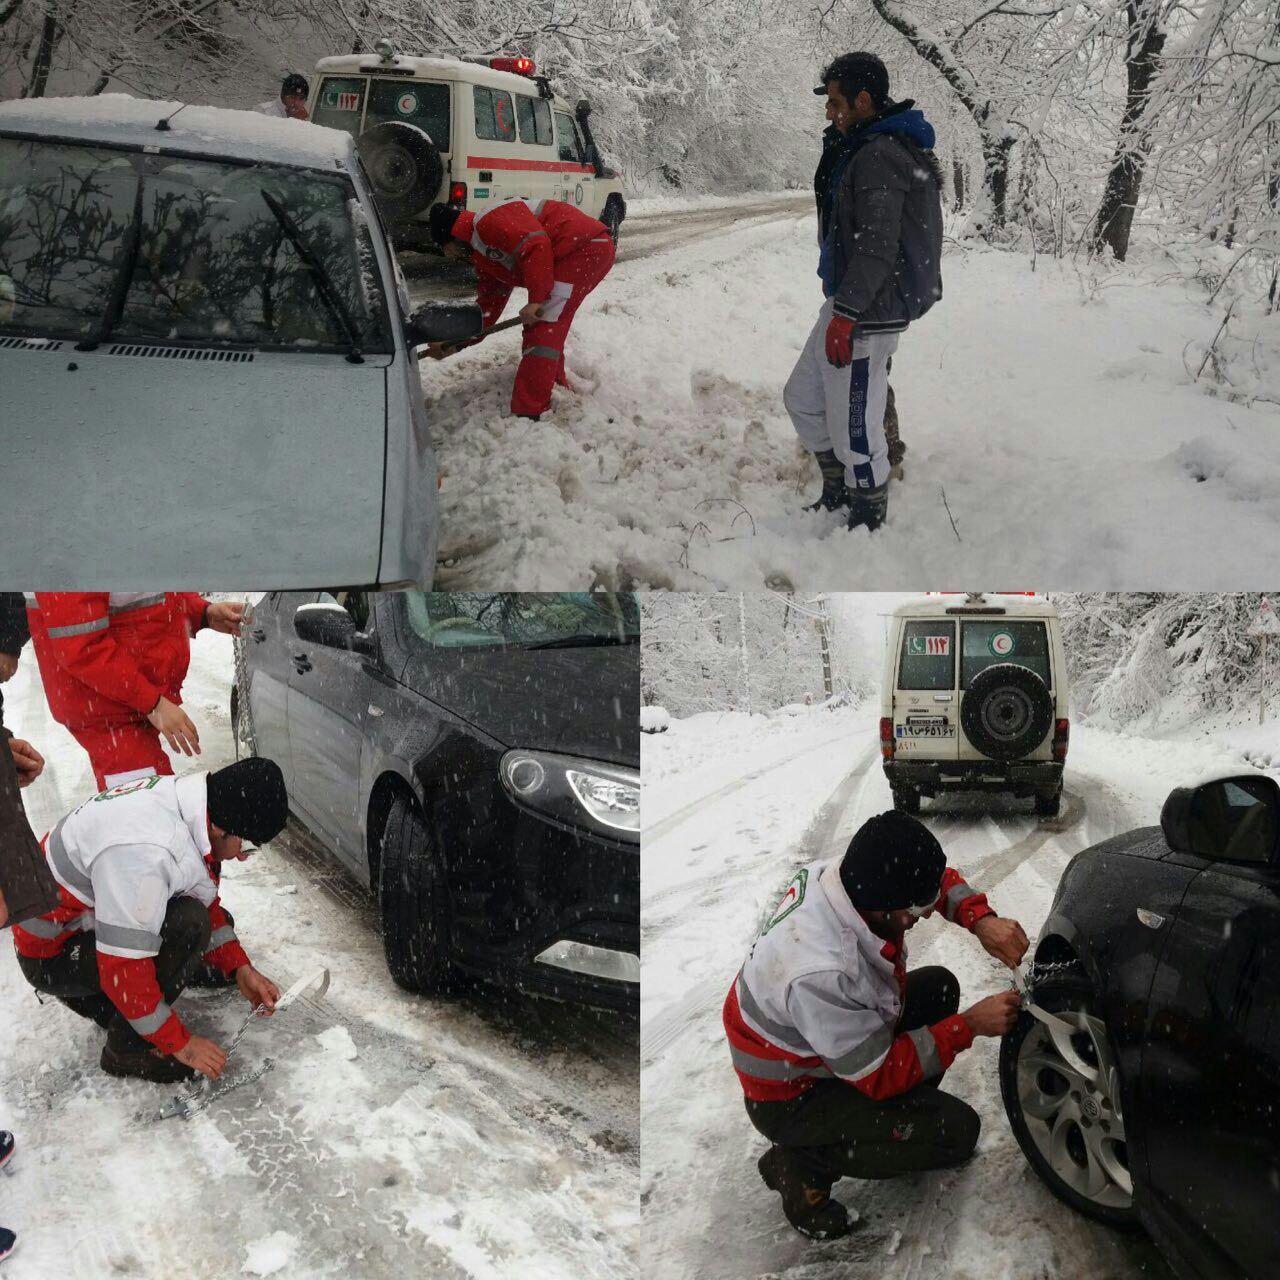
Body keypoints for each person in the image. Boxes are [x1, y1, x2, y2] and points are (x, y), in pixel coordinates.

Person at [722, 810, 1028, 1240]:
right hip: (793, 1095)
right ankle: (802, 1164)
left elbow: (932, 882)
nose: (923, 916)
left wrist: (981, 920)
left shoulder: (852, 880)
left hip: (826, 1049)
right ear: (884, 907)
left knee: (939, 989)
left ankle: (885, 1122)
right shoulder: (820, 970)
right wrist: (970, 1026)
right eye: (914, 910)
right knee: (956, 1134)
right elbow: (880, 1072)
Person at [13, 759, 287, 1084]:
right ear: (220, 827)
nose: (243, 856)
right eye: (248, 845)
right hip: (54, 954)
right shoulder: (146, 853)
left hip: (88, 924)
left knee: (205, 919)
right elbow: (123, 965)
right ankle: (127, 1048)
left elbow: (202, 896)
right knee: (188, 924)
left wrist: (241, 968)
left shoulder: (189, 806)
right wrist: (180, 1044)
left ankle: (132, 995)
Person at [786, 53, 943, 531]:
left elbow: (877, 242)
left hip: (867, 311)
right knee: (802, 398)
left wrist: (848, 310)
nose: (829, 112)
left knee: (856, 428)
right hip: (849, 300)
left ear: (863, 99)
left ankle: (866, 519)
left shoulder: (879, 154)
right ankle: (838, 490)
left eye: (835, 102)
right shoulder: (861, 143)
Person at [25, 593, 244, 790]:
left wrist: (202, 612)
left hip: (130, 698)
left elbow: (147, 590)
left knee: (151, 809)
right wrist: (152, 703)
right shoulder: (72, 552)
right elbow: (82, 647)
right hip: (108, 710)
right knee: (147, 818)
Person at [425, 198, 616, 420]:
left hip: (585, 247)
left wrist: (537, 300)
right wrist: (456, 343)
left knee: (544, 325)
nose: (450, 256)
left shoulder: (489, 222)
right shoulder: (483, 254)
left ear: (452, 236)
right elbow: (488, 307)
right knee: (548, 324)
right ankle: (551, 382)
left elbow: (536, 245)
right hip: (578, 251)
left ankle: (529, 411)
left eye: (446, 249)